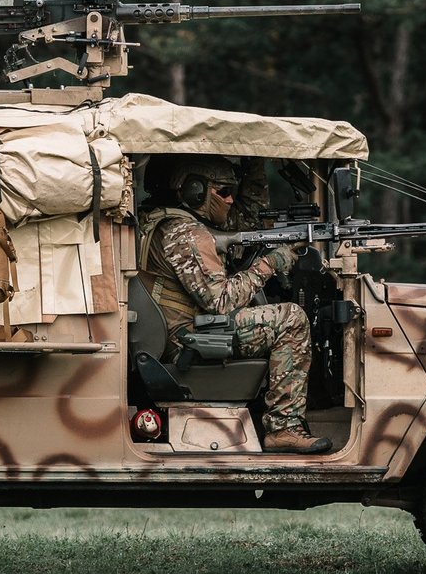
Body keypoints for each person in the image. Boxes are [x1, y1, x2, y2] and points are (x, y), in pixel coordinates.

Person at [137, 156, 334, 455]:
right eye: (225, 191)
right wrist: (271, 264)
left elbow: (248, 215)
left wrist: (255, 158)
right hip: (184, 338)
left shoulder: (169, 220)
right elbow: (221, 302)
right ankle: (283, 428)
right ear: (195, 191)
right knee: (290, 318)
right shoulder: (185, 234)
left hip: (185, 327)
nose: (231, 200)